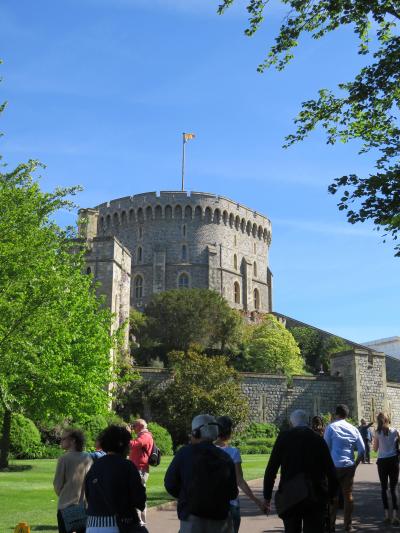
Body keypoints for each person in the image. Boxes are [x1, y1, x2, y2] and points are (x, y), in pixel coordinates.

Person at [263, 409, 338, 533]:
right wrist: (333, 495)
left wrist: (267, 497)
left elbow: (271, 469)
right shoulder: (318, 439)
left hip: (291, 494)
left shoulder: (283, 438)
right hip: (315, 495)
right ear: (308, 422)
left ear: (292, 423)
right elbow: (330, 470)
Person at [164, 413, 238, 533]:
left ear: (195, 433)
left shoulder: (184, 453)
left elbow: (170, 484)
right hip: (220, 519)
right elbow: (233, 493)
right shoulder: (225, 458)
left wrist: (187, 496)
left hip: (192, 519)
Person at [85, 425, 147, 533]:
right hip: (118, 525)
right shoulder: (127, 466)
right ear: (122, 445)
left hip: (92, 525)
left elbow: (88, 494)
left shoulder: (95, 466)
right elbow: (139, 500)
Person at [215, 416, 266, 532]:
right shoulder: (233, 452)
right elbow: (240, 481)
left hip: (211, 503)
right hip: (231, 503)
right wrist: (257, 501)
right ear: (230, 431)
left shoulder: (207, 450)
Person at [324, 404, 365, 532]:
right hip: (348, 466)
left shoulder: (331, 427)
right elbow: (362, 449)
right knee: (348, 496)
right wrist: (355, 464)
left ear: (336, 414)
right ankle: (348, 525)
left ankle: (331, 525)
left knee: (333, 497)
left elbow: (325, 448)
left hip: (334, 466)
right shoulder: (353, 429)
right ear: (347, 415)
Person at [53, 428, 93, 533]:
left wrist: (64, 494)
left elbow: (57, 484)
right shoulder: (87, 458)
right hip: (83, 507)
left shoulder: (63, 459)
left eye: (63, 439)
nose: (61, 441)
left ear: (73, 440)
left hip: (65, 507)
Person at [373, 412, 400, 525]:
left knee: (384, 488)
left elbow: (375, 449)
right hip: (393, 460)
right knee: (394, 488)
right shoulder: (395, 431)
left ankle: (386, 516)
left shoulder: (377, 433)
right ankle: (394, 516)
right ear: (388, 419)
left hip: (382, 462)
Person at [128, 418, 154, 526]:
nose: (133, 428)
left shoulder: (146, 436)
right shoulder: (142, 435)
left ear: (141, 426)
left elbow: (133, 445)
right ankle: (140, 520)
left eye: (135, 426)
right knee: (137, 493)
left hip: (141, 469)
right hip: (138, 468)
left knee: (138, 494)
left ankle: (140, 521)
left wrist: (127, 435)